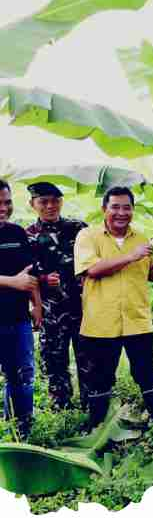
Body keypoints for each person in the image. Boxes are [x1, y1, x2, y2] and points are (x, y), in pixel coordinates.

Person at [73, 186, 153, 435]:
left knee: (147, 373)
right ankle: (97, 428)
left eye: (126, 207)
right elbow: (92, 269)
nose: (121, 212)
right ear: (104, 209)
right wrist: (131, 255)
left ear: (133, 210)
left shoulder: (143, 239)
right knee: (100, 378)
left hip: (137, 320)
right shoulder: (88, 236)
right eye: (115, 207)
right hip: (101, 323)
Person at [25, 181, 88, 410]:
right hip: (51, 311)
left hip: (82, 307)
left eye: (55, 201)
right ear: (33, 204)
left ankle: (92, 407)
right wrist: (42, 281)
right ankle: (61, 408)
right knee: (54, 361)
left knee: (89, 359)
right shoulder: (28, 236)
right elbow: (24, 274)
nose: (50, 206)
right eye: (44, 202)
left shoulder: (79, 228)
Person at [0, 179, 41, 438]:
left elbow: (30, 272)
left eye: (7, 202)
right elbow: (18, 279)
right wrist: (11, 282)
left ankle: (21, 432)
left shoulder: (16, 233)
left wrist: (37, 304)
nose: (3, 208)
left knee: (22, 376)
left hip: (18, 320)